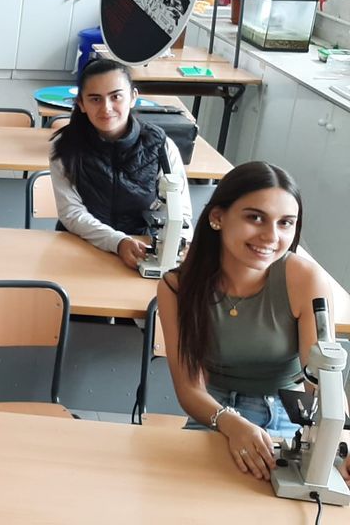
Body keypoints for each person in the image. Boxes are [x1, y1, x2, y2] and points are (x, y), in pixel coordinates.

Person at [158, 161, 350, 484]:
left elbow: (321, 381)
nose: (271, 236)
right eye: (255, 217)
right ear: (217, 217)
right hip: (215, 417)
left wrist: (341, 440)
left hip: (291, 421)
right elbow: (189, 388)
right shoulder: (176, 287)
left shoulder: (305, 279)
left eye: (286, 223)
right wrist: (231, 423)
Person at [50, 58, 192, 269]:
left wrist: (177, 244)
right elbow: (72, 213)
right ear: (81, 103)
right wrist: (118, 242)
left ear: (133, 97)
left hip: (141, 250)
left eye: (116, 96)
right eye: (95, 99)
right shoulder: (64, 148)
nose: (106, 108)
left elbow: (180, 210)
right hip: (79, 246)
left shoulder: (161, 146)